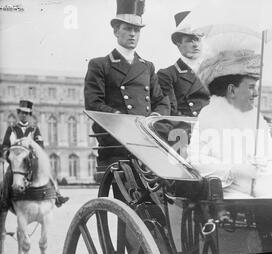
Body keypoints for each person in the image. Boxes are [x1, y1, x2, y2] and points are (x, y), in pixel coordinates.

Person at [187, 50, 272, 199]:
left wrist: (267, 167)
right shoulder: (209, 117)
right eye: (251, 87)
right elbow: (195, 161)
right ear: (232, 90)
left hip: (263, 187)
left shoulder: (256, 120)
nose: (256, 94)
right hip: (227, 192)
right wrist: (233, 170)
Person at [84, 0, 170, 167]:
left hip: (147, 141)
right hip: (118, 143)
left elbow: (161, 100)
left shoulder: (147, 66)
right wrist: (125, 120)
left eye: (136, 30)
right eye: (128, 29)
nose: (133, 34)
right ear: (116, 31)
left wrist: (155, 117)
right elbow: (93, 103)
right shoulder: (100, 65)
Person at [0, 100, 69, 210]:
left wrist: (32, 149)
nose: (24, 115)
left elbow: (41, 147)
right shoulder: (11, 129)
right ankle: (4, 203)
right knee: (8, 176)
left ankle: (57, 195)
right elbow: (4, 147)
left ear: (29, 115)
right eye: (22, 112)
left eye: (26, 113)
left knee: (49, 171)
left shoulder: (34, 130)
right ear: (18, 113)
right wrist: (9, 156)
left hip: (31, 163)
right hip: (16, 163)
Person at [157, 11, 210, 117]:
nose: (195, 45)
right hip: (184, 128)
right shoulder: (167, 75)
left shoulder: (212, 71)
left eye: (198, 39)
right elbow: (170, 111)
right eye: (190, 40)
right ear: (178, 43)